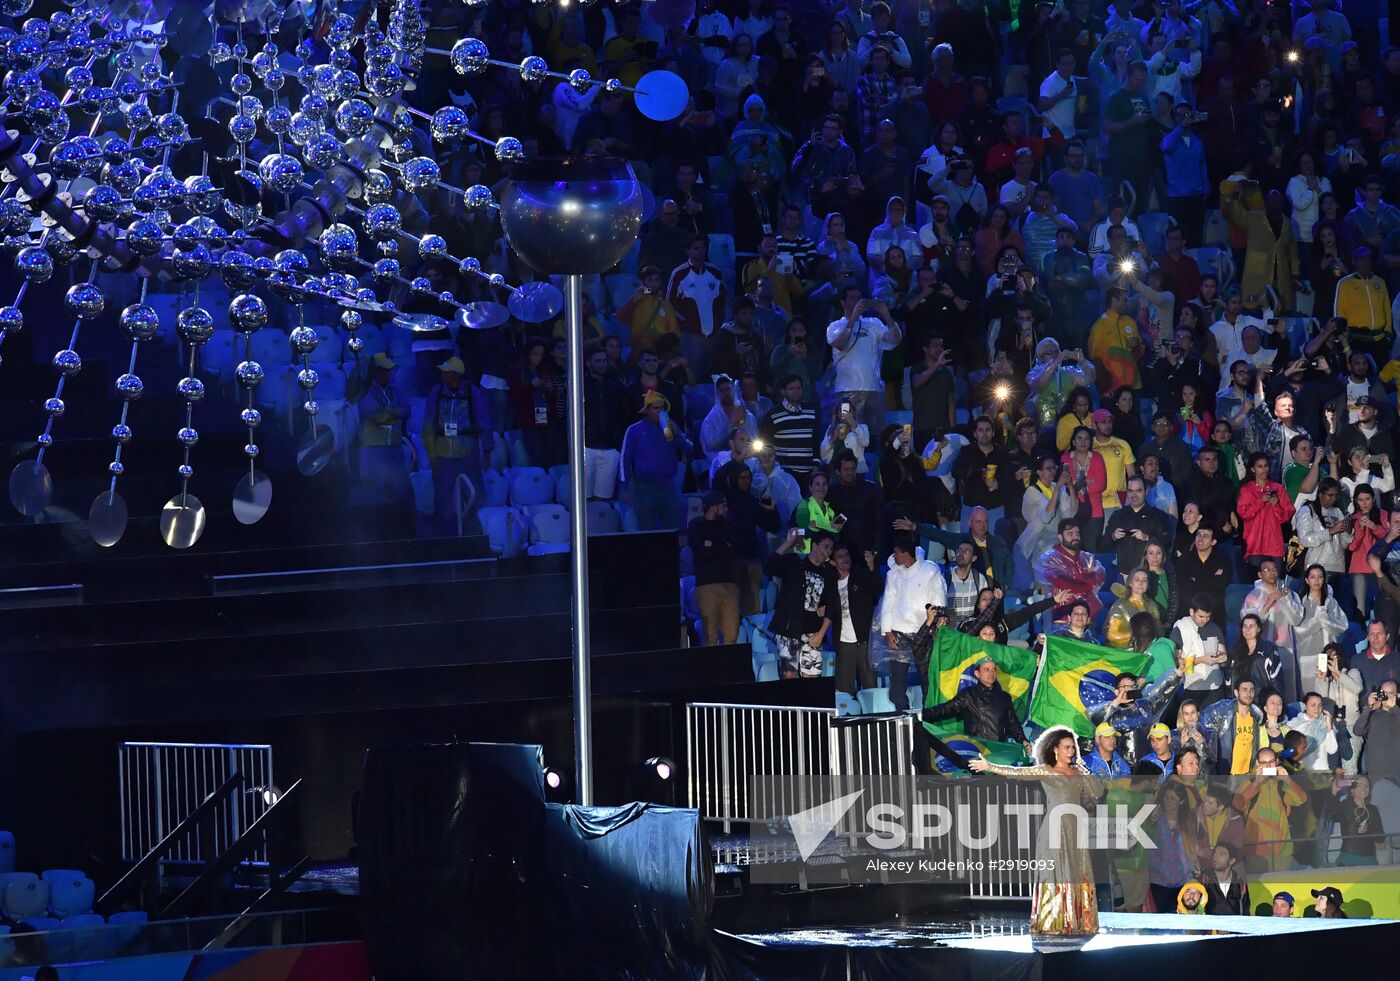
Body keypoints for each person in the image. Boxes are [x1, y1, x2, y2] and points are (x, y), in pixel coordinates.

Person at [969, 726, 1104, 937]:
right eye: (1066, 747)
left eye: (1072, 747)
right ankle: (1054, 921)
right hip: (1054, 828)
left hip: (1076, 829)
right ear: (1055, 750)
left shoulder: (1078, 772)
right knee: (1056, 874)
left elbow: (1097, 792)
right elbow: (1016, 772)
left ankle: (1078, 920)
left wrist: (1085, 772)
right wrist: (989, 766)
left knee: (1078, 872)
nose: (1071, 751)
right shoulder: (1046, 770)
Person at [420, 356, 492, 536]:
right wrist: (432, 455)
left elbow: (484, 421)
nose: (442, 375)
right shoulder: (436, 392)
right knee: (444, 497)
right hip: (443, 454)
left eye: (446, 372)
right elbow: (428, 425)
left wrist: (487, 450)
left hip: (468, 452)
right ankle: (447, 536)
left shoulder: (472, 392)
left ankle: (479, 532)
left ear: (455, 374)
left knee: (474, 492)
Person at [879, 534, 947, 709]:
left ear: (906, 553)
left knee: (928, 683)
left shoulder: (930, 570)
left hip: (924, 634)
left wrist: (936, 626)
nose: (894, 557)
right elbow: (888, 602)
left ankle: (928, 722)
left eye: (896, 553)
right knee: (896, 690)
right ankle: (906, 721)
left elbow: (939, 601)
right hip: (899, 633)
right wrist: (887, 631)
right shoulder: (894, 574)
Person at [826, 286, 902, 436]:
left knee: (875, 434)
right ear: (843, 302)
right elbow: (840, 344)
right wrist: (853, 318)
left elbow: (896, 340)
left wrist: (886, 314)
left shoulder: (874, 323)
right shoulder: (834, 326)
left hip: (873, 389)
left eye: (859, 297)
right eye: (853, 298)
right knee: (846, 433)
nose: (857, 301)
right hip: (845, 391)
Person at [766, 528, 839, 678]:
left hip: (813, 631)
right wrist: (789, 542)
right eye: (826, 546)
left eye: (831, 548)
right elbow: (770, 565)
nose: (828, 551)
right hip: (789, 629)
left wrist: (821, 634)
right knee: (789, 675)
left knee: (811, 677)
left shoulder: (828, 574)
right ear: (814, 545)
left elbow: (832, 606)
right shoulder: (795, 562)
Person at [922, 654, 1031, 753]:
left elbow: (1012, 723)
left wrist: (1023, 740)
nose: (991, 673)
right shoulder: (969, 695)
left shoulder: (1004, 697)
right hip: (976, 752)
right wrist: (919, 715)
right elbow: (944, 710)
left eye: (993, 670)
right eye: (986, 669)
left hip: (998, 752)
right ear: (977, 674)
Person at [620, 392, 692, 531]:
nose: (660, 411)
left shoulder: (670, 428)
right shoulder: (635, 430)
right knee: (645, 529)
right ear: (647, 410)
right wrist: (624, 486)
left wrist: (677, 433)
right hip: (644, 488)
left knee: (673, 529)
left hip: (668, 486)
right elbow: (625, 459)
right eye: (656, 408)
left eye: (662, 408)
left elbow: (689, 450)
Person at [1232, 747, 1307, 874]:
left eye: (1271, 762)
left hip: (1282, 851)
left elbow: (1301, 799)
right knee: (1259, 891)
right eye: (1264, 763)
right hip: (1256, 852)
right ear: (1257, 764)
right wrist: (1257, 783)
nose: (1268, 766)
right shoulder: (1250, 782)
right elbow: (1237, 804)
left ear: (1277, 762)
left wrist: (1288, 780)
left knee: (1282, 889)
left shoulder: (1282, 783)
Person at [1239, 560, 1303, 703]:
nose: (1272, 573)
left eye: (1274, 569)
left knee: (1288, 686)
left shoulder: (1288, 593)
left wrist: (1285, 600)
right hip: (1263, 649)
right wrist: (1267, 605)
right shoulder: (1253, 596)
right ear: (1260, 574)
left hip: (1286, 647)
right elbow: (1248, 623)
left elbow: (1296, 619)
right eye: (1267, 570)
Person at [355, 353, 412, 505]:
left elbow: (407, 410)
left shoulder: (395, 390)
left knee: (398, 488)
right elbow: (375, 415)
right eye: (385, 370)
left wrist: (389, 412)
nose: (389, 373)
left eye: (389, 370)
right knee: (376, 491)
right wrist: (394, 412)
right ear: (376, 371)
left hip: (394, 446)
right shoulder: (365, 391)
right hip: (374, 447)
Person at [1015, 456, 1076, 591]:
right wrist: (1058, 489)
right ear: (1039, 472)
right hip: (1039, 538)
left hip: (1056, 536)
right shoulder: (1031, 492)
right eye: (1048, 468)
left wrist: (1070, 487)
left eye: (1054, 468)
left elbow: (1069, 513)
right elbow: (1046, 515)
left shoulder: (1057, 487)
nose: (1053, 471)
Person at [831, 544, 883, 696]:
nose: (845, 559)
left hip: (864, 640)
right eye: (840, 557)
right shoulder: (830, 583)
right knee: (844, 689)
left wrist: (872, 566)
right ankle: (845, 717)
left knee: (870, 686)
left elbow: (878, 587)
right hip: (843, 642)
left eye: (846, 555)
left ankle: (872, 717)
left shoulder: (860, 575)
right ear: (833, 562)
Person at [690, 492, 740, 646]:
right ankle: (711, 669)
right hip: (706, 585)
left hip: (730, 584)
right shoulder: (696, 525)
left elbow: (733, 548)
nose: (726, 509)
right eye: (723, 506)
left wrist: (712, 545)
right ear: (713, 508)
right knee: (709, 636)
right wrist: (723, 546)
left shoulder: (729, 525)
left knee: (732, 635)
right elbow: (701, 551)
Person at [1034, 518, 1107, 620]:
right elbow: (1064, 583)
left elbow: (1101, 575)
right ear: (1060, 537)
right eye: (1070, 534)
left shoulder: (1087, 557)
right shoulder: (1048, 559)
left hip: (1092, 613)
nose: (1075, 537)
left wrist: (1078, 580)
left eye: (1077, 534)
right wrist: (1088, 579)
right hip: (1064, 615)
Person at [1236, 453, 1295, 571]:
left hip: (1274, 545)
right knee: (1255, 583)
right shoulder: (1247, 490)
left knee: (1275, 582)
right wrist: (1260, 501)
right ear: (1253, 469)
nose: (1264, 469)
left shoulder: (1278, 488)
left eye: (1266, 466)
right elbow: (1243, 514)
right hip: (1254, 545)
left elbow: (1286, 516)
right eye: (1260, 466)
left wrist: (1275, 505)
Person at [1104, 476, 1171, 575]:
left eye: (1138, 491)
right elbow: (1102, 545)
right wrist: (1113, 536)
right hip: (1123, 575)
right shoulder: (1118, 515)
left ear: (1146, 491)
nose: (1134, 495)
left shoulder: (1158, 516)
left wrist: (1147, 537)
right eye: (1131, 491)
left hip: (1149, 575)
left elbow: (1167, 542)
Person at [759, 375, 819, 483]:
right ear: (783, 391)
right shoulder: (772, 415)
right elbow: (765, 444)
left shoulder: (811, 411)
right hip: (784, 473)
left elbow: (815, 440)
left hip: (808, 473)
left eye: (798, 388)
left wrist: (816, 464)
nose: (795, 392)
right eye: (791, 389)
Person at [1202, 678, 1264, 775]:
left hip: (1248, 772)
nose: (1249, 694)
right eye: (1244, 690)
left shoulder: (1256, 715)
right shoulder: (1225, 714)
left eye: (1252, 690)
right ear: (1236, 692)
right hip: (1227, 773)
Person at [1175, 524, 1233, 627]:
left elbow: (1221, 584)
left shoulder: (1223, 560)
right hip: (1189, 616)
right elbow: (1183, 586)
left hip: (1215, 616)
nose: (1200, 539)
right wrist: (1211, 578)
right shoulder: (1184, 560)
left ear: (1213, 542)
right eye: (1198, 535)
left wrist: (1196, 579)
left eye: (1205, 536)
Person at [1105, 570, 1161, 650]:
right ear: (1130, 583)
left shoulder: (1152, 605)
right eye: (1137, 580)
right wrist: (1135, 636)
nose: (1141, 583)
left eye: (1144, 580)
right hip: (1123, 652)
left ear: (1148, 584)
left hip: (1148, 651)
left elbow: (1158, 630)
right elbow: (1111, 635)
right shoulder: (1120, 606)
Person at [1355, 680, 1400, 777]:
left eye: (1390, 693)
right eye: (1383, 693)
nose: (1386, 696)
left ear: (1397, 695)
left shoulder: (1398, 714)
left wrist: (1394, 708)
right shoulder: (1373, 715)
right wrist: (1368, 707)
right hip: (1376, 774)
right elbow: (1357, 731)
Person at [1201, 842, 1248, 916]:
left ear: (1231, 861)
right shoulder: (1204, 879)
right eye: (1215, 853)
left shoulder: (1240, 882)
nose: (1216, 857)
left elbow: (1245, 911)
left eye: (1221, 854)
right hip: (1210, 926)